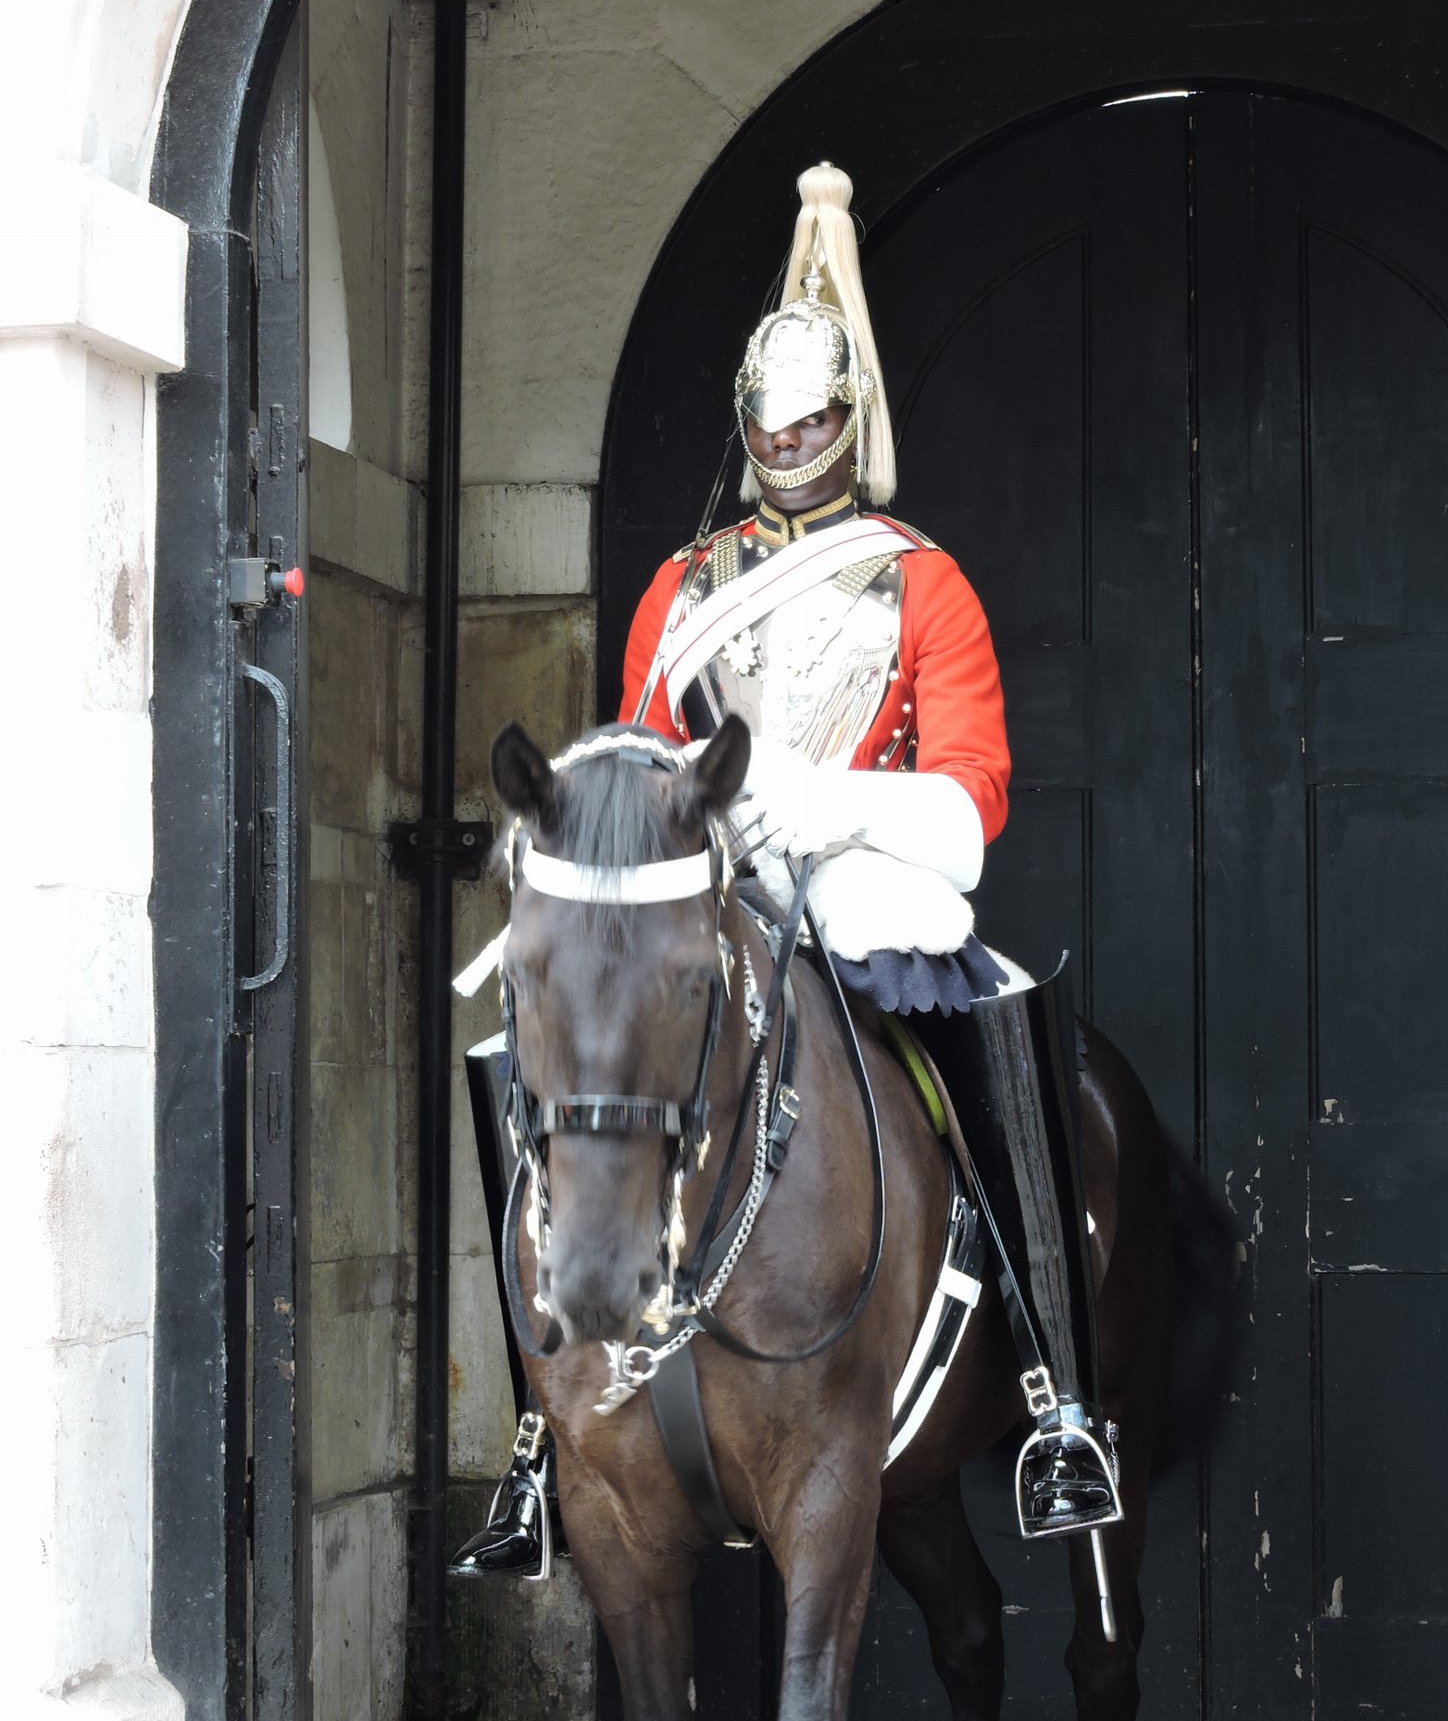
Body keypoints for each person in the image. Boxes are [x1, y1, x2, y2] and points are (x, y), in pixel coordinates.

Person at [452, 163, 1119, 1578]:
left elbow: (974, 798)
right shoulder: (682, 586)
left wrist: (826, 800)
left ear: (848, 421)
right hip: (714, 878)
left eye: (813, 420)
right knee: (529, 1030)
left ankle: (1061, 1394)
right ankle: (536, 1428)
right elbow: (638, 759)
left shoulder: (920, 580)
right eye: (769, 422)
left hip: (867, 868)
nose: (789, 441)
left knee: (995, 1012)